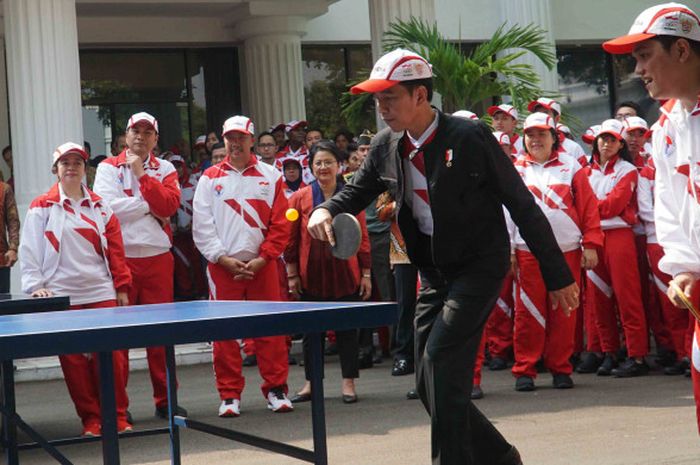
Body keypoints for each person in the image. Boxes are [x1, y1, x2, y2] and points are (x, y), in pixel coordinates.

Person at [307, 48, 578, 465]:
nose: (381, 109)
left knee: (442, 365)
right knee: (426, 378)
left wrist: (557, 274)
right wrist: (325, 209)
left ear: (420, 96)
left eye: (390, 98)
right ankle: (500, 457)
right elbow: (355, 192)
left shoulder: (468, 138)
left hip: (478, 267)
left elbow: (521, 203)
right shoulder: (385, 145)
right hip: (433, 272)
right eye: (377, 100)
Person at [602, 0, 700, 429]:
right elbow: (670, 202)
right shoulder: (665, 131)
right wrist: (683, 267)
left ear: (681, 50)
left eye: (645, 56)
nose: (639, 70)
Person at [20, 142, 132, 436]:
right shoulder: (41, 206)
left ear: (85, 169)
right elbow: (29, 249)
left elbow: (116, 249)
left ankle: (117, 415)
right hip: (62, 295)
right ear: (55, 169)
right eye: (65, 162)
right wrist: (36, 287)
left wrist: (121, 286)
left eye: (77, 163)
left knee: (115, 357)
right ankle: (92, 420)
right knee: (74, 363)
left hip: (100, 291)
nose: (71, 167)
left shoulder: (101, 205)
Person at [192, 115, 293, 417]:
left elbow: (281, 223)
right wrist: (221, 258)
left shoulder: (271, 175)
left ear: (251, 140)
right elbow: (202, 225)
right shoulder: (209, 178)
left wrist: (264, 257)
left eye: (241, 138)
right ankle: (229, 395)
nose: (235, 144)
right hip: (223, 268)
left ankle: (276, 390)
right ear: (223, 141)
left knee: (270, 330)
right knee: (224, 333)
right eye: (229, 138)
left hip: (263, 266)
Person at [93, 112, 185, 420]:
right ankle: (119, 408)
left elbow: (170, 206)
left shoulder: (166, 168)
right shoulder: (107, 168)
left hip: (158, 257)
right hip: (122, 259)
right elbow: (107, 210)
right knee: (119, 339)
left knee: (161, 336)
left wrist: (143, 178)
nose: (141, 137)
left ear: (155, 139)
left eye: (148, 132)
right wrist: (149, 206)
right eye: (136, 131)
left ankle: (165, 400)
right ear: (126, 134)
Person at [510, 113, 603, 391]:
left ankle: (560, 367)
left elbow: (588, 206)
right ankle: (525, 369)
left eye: (541, 134)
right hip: (528, 251)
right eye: (530, 135)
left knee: (565, 308)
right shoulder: (515, 169)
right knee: (528, 312)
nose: (535, 140)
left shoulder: (571, 166)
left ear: (554, 138)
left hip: (567, 249)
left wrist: (591, 243)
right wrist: (508, 248)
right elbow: (504, 212)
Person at [285, 140, 371, 404]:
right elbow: (291, 240)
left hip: (346, 272)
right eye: (318, 163)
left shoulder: (351, 195)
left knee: (347, 330)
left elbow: (363, 235)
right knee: (312, 333)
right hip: (311, 273)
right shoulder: (300, 197)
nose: (323, 167)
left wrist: (366, 273)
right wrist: (292, 273)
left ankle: (348, 383)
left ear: (339, 165)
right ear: (310, 167)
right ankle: (311, 383)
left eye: (328, 162)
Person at [584, 118, 650, 377]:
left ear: (620, 144)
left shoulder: (627, 170)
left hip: (620, 236)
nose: (607, 143)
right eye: (603, 138)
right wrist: (595, 209)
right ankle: (609, 352)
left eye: (612, 139)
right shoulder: (585, 172)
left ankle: (637, 356)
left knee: (627, 296)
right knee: (598, 298)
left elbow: (614, 205)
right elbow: (585, 207)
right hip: (592, 237)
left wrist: (592, 208)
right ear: (596, 141)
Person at [625, 116, 677, 366]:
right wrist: (670, 225)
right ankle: (670, 349)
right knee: (661, 298)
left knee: (681, 298)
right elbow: (645, 210)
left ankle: (685, 351)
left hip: (680, 240)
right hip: (655, 239)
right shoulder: (646, 172)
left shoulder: (679, 165)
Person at [170, 154, 206, 300]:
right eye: (173, 167)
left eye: (179, 166)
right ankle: (186, 296)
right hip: (176, 236)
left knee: (197, 264)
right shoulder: (166, 185)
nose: (176, 170)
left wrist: (194, 223)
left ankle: (201, 294)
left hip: (193, 234)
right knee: (180, 267)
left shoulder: (194, 185)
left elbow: (201, 207)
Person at [527, 97, 588, 165]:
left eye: (545, 113)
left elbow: (585, 173)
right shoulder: (527, 146)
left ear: (557, 119)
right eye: (537, 113)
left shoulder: (573, 148)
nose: (540, 116)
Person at [0, 176, 19, 293]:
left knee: (3, 305)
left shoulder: (4, 189)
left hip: (1, 260)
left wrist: (13, 248)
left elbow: (13, 221)